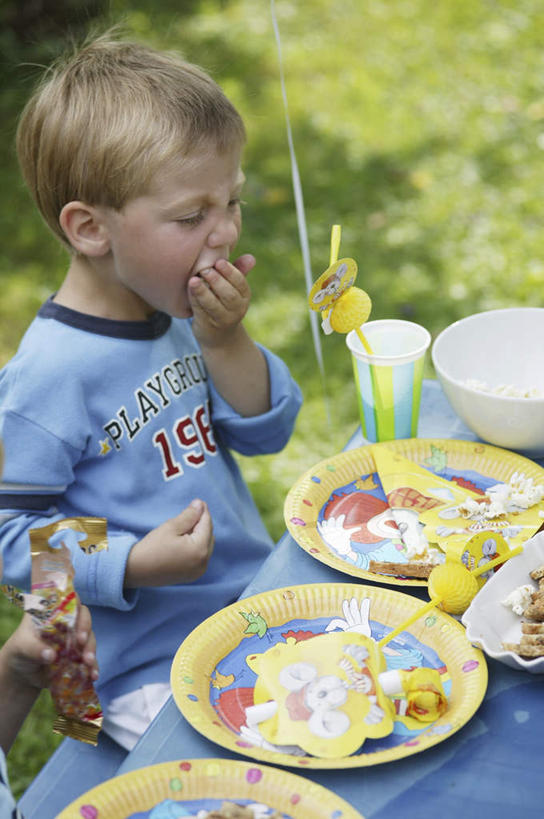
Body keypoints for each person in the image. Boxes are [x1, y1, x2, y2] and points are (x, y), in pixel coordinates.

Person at [0, 30, 303, 754]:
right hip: (133, 667)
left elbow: (268, 432)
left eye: (230, 201)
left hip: (240, 603)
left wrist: (225, 340)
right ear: (91, 229)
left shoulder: (169, 310)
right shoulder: (48, 376)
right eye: (191, 216)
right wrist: (132, 560)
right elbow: (11, 535)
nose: (225, 231)